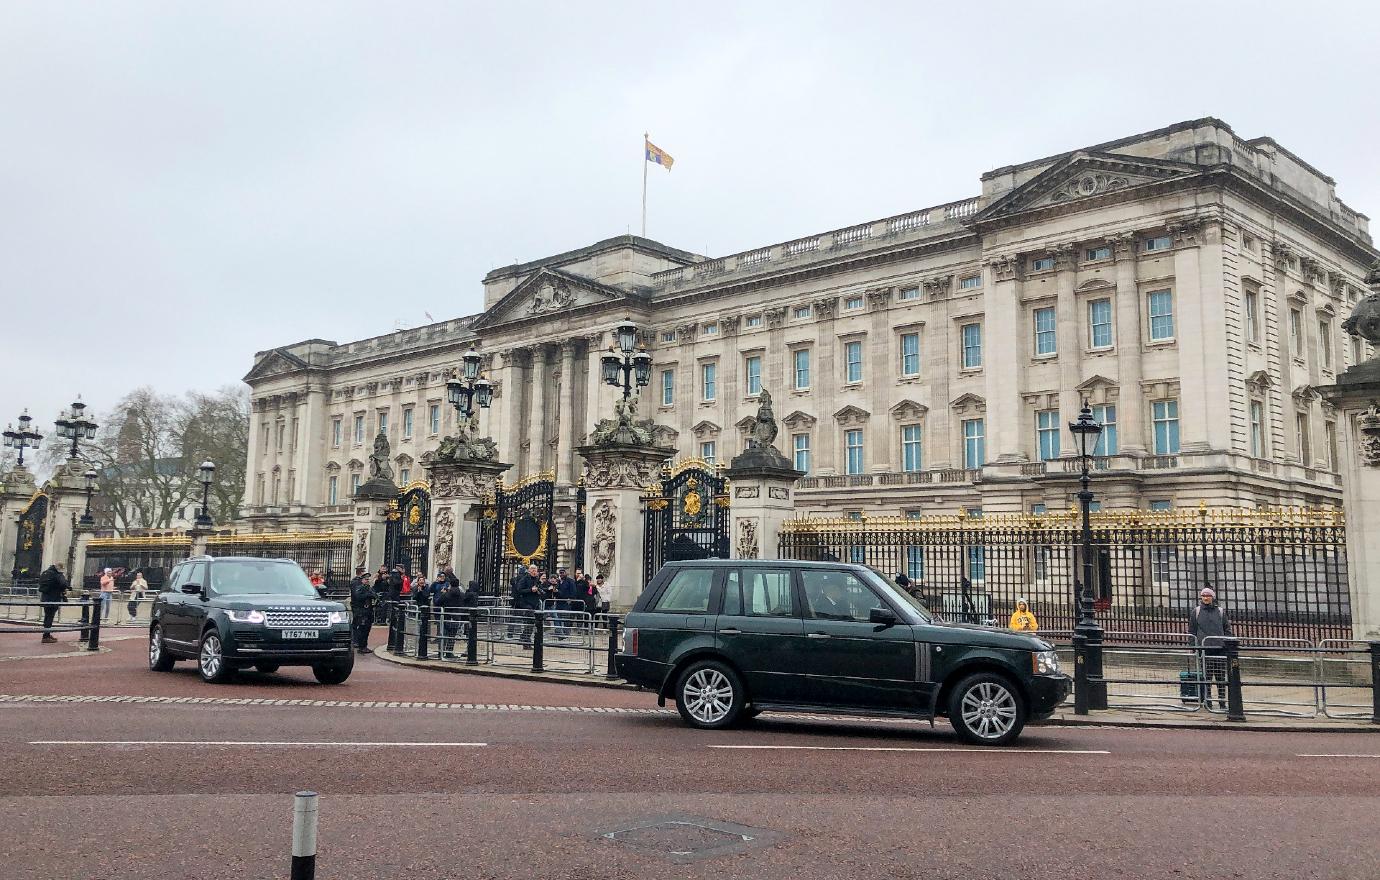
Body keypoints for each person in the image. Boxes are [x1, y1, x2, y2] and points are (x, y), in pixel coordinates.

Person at [1189, 586, 1233, 710]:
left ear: (1212, 597)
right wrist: (1193, 646)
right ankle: (1207, 701)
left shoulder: (1220, 611)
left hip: (1220, 649)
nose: (1205, 598)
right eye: (1203, 596)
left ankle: (1222, 702)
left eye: (1208, 595)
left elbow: (1227, 629)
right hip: (1204, 649)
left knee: (1221, 678)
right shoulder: (1196, 612)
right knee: (1206, 678)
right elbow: (1192, 631)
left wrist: (1227, 643)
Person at [509, 563, 542, 647]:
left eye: (535, 570)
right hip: (526, 604)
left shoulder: (537, 579)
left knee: (532, 623)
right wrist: (530, 590)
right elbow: (519, 590)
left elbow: (540, 589)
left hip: (535, 604)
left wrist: (539, 591)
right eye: (532, 569)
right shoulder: (524, 579)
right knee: (530, 621)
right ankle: (525, 639)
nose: (534, 571)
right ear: (529, 570)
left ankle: (525, 639)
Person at [38, 563, 69, 643]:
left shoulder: (45, 573)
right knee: (50, 617)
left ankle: (46, 634)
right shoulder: (57, 574)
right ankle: (46, 636)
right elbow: (63, 584)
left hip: (45, 598)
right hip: (54, 598)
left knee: (47, 616)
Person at [435, 579, 465, 659]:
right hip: (456, 617)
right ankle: (449, 652)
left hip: (446, 616)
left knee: (443, 635)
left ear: (450, 585)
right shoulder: (462, 594)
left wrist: (442, 594)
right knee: (452, 636)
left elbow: (437, 602)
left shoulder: (446, 594)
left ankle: (441, 652)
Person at [350, 567, 376, 653]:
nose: (367, 581)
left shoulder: (369, 587)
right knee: (362, 628)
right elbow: (358, 596)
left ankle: (364, 645)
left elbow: (375, 595)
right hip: (361, 611)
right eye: (365, 579)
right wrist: (368, 595)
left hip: (368, 610)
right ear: (362, 580)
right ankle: (361, 646)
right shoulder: (359, 587)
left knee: (367, 629)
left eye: (368, 579)